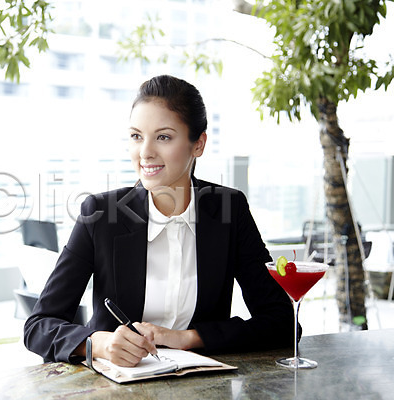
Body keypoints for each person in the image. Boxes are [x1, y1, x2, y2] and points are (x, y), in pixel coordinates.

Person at [24, 75, 294, 367]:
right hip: (117, 384)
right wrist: (98, 344)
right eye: (136, 136)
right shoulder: (100, 214)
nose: (145, 152)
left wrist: (189, 338)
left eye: (163, 137)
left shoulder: (229, 210)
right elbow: (39, 326)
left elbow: (282, 322)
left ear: (198, 144)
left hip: (202, 384)